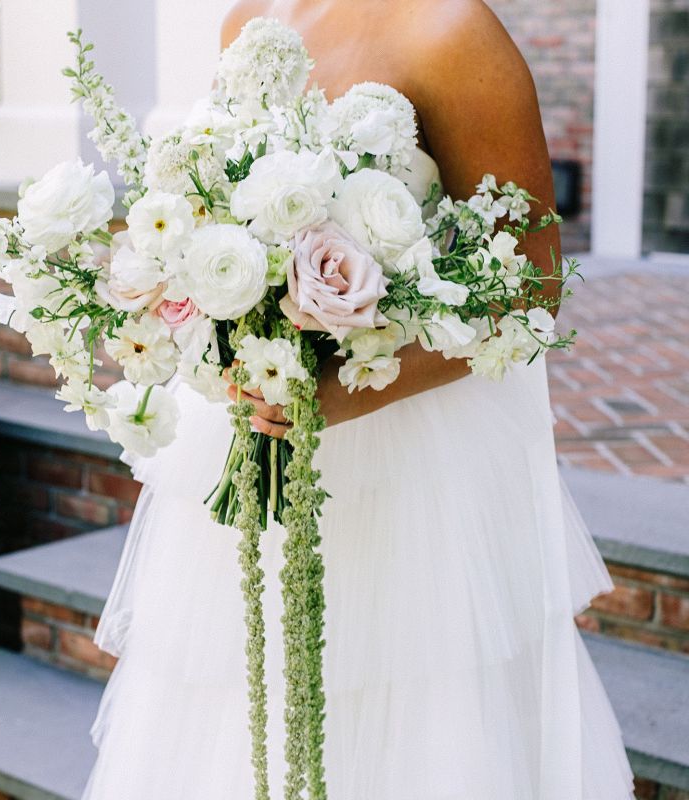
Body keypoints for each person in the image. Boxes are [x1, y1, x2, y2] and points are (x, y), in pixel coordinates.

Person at [81, 2, 636, 797]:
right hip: (250, 430)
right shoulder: (249, 19)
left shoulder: (453, 33)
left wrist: (332, 398)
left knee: (413, 725)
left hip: (407, 463)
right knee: (236, 717)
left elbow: (531, 285)